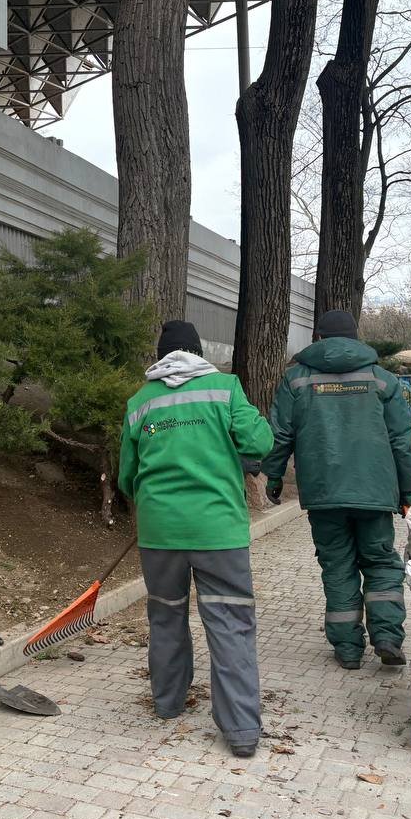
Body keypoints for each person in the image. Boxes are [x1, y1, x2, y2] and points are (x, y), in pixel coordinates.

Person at [118, 321, 274, 758]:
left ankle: (167, 703)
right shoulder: (224, 389)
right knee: (230, 622)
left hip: (159, 533)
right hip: (217, 531)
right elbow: (259, 440)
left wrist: (153, 508)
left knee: (165, 615)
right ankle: (242, 731)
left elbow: (127, 475)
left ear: (161, 354)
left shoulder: (140, 402)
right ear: (199, 350)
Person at [262, 309, 411, 671]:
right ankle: (387, 637)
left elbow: (281, 434)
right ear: (355, 337)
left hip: (323, 492)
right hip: (375, 490)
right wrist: (407, 488)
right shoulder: (383, 380)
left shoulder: (296, 379)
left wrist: (272, 477)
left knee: (337, 566)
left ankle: (348, 649)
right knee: (380, 562)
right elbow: (401, 439)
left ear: (318, 337)